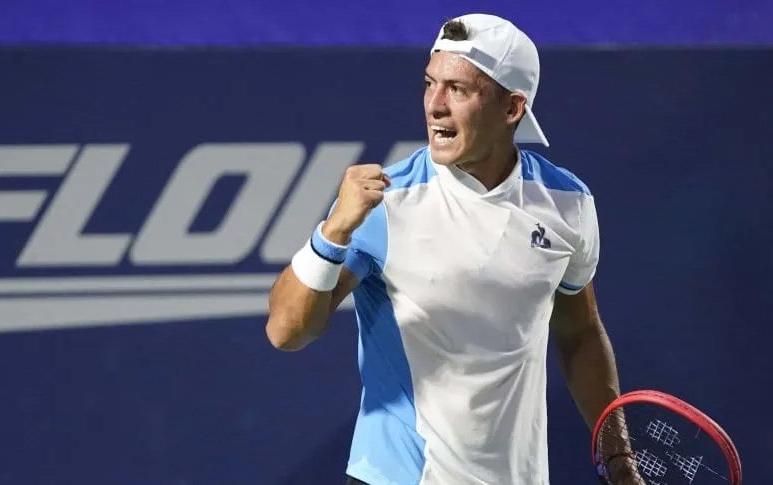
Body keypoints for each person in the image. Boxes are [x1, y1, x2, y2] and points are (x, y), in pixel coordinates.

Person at [265, 13, 632, 485]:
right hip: (400, 476)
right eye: (429, 83)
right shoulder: (387, 200)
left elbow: (579, 333)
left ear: (512, 108)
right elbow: (286, 332)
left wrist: (619, 460)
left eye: (458, 90)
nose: (434, 106)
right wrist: (333, 231)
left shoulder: (569, 204)